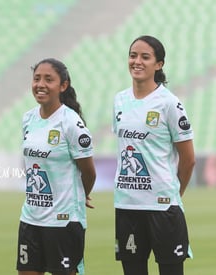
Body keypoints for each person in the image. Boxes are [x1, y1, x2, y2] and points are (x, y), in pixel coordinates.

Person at [113, 35, 195, 275]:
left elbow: (188, 159)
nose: (137, 61)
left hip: (162, 206)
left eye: (145, 57)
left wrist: (173, 192)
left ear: (158, 64)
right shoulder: (119, 100)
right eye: (133, 55)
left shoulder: (169, 103)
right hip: (127, 204)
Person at [17, 58, 96, 275]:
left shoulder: (71, 123)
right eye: (36, 79)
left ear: (63, 85)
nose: (40, 84)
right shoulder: (28, 119)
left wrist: (81, 195)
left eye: (48, 79)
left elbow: (89, 171)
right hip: (31, 218)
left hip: (63, 222)